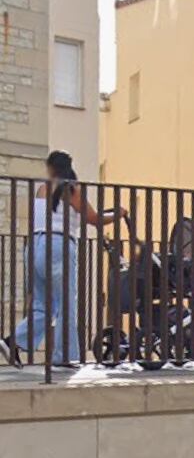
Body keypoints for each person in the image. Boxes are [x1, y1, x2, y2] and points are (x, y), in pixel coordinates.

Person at [1, 151, 127, 368]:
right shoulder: (71, 189)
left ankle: (12, 342)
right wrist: (119, 213)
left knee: (43, 305)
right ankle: (65, 356)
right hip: (58, 245)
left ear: (50, 168)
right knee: (67, 303)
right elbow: (94, 219)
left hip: (35, 245)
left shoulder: (42, 189)